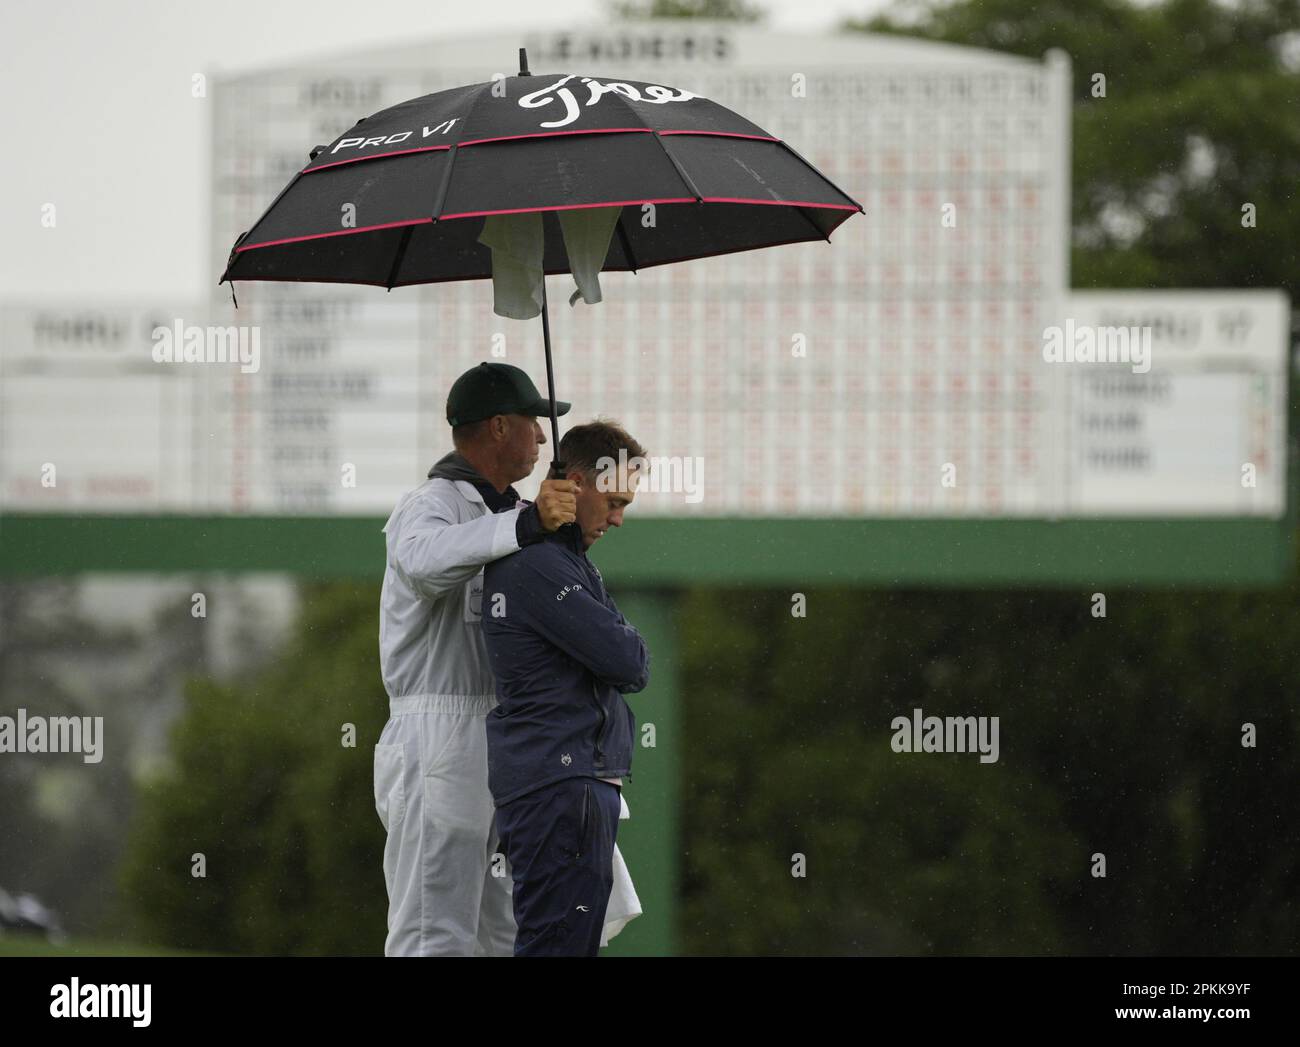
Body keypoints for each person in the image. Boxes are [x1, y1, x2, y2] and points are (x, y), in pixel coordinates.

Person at [373, 361, 577, 956]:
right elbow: (422, 562)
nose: (543, 436)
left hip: (506, 740)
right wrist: (528, 523)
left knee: (506, 938)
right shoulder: (430, 503)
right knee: (433, 934)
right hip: (438, 735)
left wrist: (552, 532)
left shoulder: (513, 512)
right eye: (533, 421)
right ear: (498, 427)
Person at [481, 419, 651, 956]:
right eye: (615, 502)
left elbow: (627, 658)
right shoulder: (540, 564)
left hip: (566, 783)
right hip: (562, 786)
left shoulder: (564, 562)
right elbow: (631, 661)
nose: (618, 519)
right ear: (576, 484)